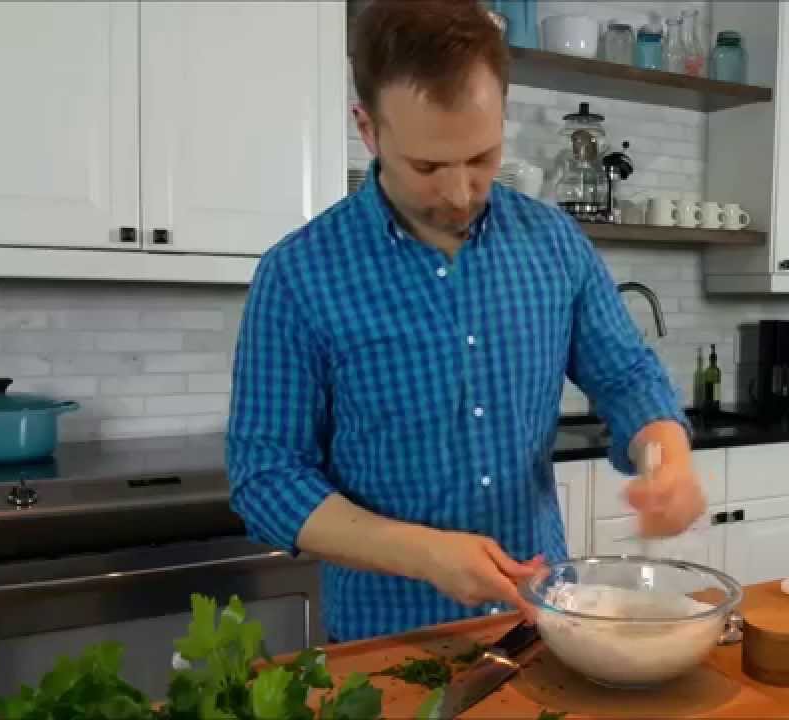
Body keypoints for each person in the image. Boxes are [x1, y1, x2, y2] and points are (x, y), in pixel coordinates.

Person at [227, 0, 704, 643]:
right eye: (427, 166)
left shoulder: (554, 246)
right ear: (367, 129)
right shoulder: (298, 275)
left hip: (538, 625)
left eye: (482, 158)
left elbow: (625, 375)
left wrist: (664, 454)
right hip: (387, 644)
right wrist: (423, 552)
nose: (458, 192)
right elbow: (266, 479)